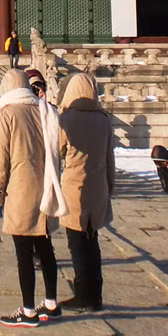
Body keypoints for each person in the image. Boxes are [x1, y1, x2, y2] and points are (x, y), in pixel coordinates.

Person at [0, 68, 67, 328]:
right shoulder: (46, 109)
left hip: (20, 189)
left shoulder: (7, 113)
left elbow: (0, 160)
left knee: (23, 252)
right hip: (47, 185)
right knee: (46, 249)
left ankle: (29, 310)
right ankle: (52, 304)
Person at [58, 73, 114, 312]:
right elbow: (109, 157)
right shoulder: (104, 119)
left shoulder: (66, 120)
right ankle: (96, 294)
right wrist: (109, 186)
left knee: (77, 242)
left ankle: (82, 293)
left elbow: (58, 151)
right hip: (98, 185)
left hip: (74, 186)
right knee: (93, 241)